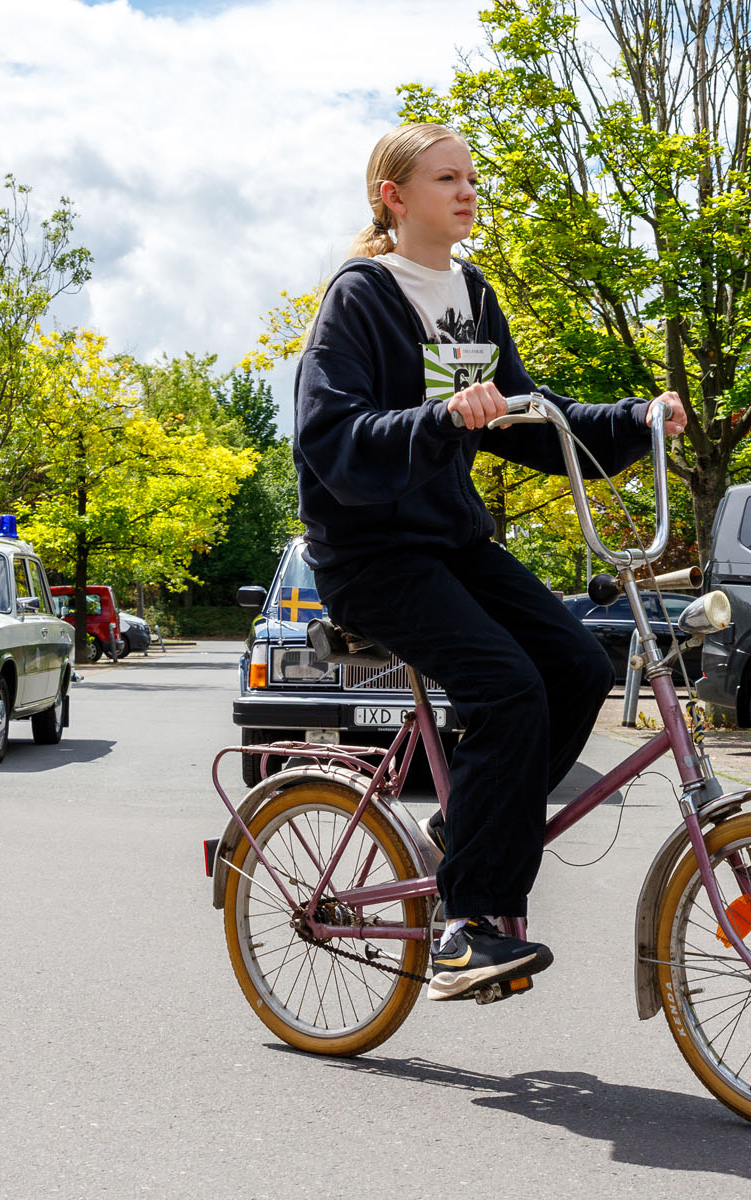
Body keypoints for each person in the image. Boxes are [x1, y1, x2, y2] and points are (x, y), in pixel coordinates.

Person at [293, 122, 687, 1002]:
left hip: (454, 544)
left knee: (579, 665)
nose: (469, 192)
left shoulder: (471, 292)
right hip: (372, 556)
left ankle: (458, 835)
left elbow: (531, 420)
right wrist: (442, 420)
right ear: (394, 198)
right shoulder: (360, 297)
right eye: (446, 179)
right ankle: (468, 928)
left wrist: (634, 419)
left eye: (472, 178)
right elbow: (330, 440)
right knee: (508, 688)